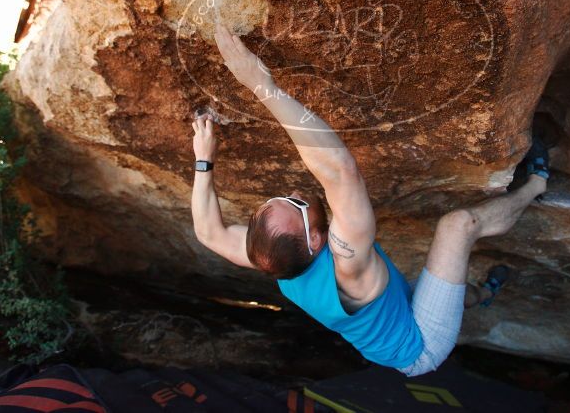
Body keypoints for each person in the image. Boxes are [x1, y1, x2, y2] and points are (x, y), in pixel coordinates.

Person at [190, 23, 549, 377]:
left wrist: (204, 159)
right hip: (419, 347)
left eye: (280, 197)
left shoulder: (275, 259)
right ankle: (537, 184)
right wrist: (261, 86)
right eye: (295, 204)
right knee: (457, 227)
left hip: (390, 315)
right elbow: (341, 171)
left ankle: (483, 294)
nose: (295, 192)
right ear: (315, 241)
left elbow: (209, 232)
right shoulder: (349, 269)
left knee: (437, 292)